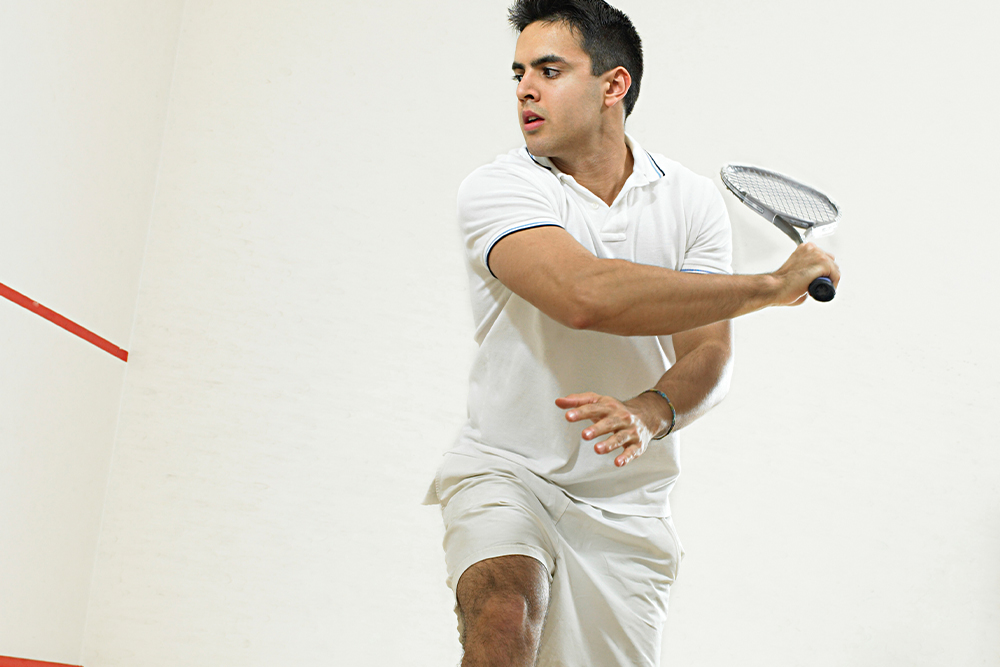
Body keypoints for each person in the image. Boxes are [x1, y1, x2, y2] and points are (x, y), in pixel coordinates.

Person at [424, 1, 840, 665]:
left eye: (551, 69)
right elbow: (583, 296)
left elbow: (708, 352)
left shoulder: (691, 200)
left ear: (613, 85)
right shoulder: (499, 189)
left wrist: (650, 412)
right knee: (504, 610)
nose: (526, 88)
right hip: (507, 468)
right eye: (520, 72)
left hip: (627, 504)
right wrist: (763, 287)